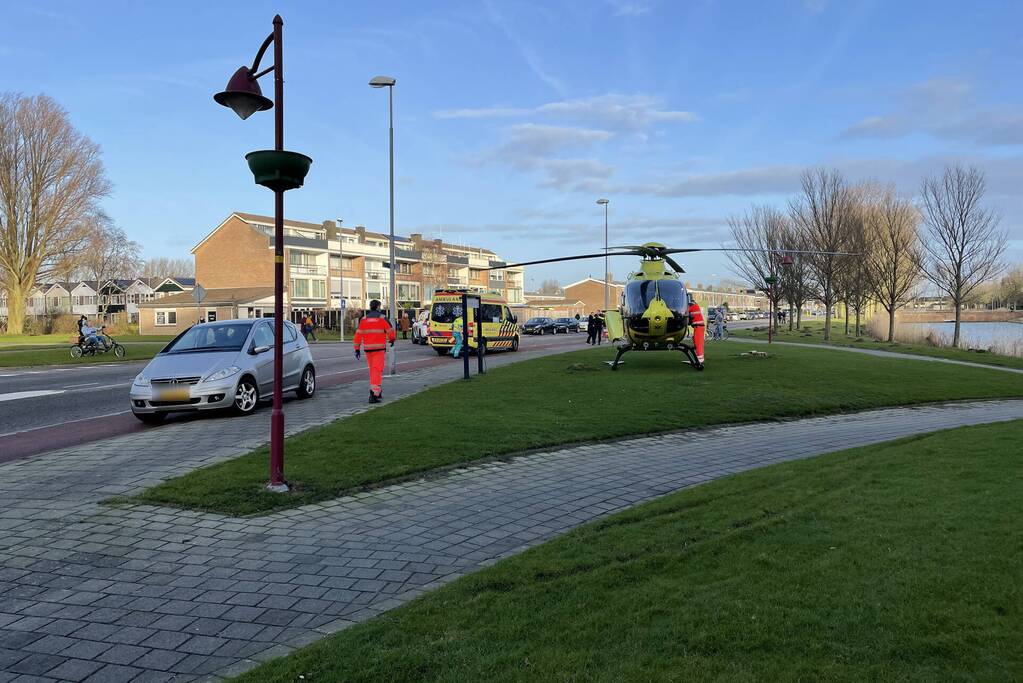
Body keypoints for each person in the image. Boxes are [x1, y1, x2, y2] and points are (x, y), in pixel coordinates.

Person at [353, 299, 396, 403]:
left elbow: (358, 335)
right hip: (379, 349)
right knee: (377, 370)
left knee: (373, 370)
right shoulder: (382, 318)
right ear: (378, 307)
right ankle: (374, 394)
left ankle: (378, 391)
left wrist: (357, 349)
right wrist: (392, 340)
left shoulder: (363, 319)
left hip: (368, 349)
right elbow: (390, 331)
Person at [688, 299, 705, 366]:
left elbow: (685, 312)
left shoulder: (693, 307)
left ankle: (700, 360)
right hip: (698, 327)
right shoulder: (695, 307)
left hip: (698, 327)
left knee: (698, 344)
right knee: (697, 342)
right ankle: (698, 358)